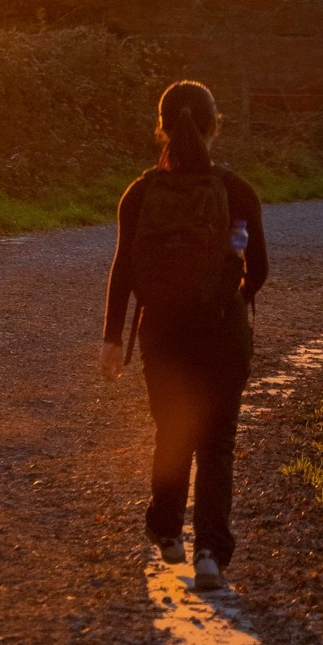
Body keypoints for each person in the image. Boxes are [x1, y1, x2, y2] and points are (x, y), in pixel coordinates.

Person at [100, 79, 268, 592]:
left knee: (172, 430)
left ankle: (167, 530)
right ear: (215, 125)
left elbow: (124, 268)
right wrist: (227, 298)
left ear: (162, 128)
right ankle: (212, 555)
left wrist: (111, 338)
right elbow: (257, 268)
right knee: (216, 443)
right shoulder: (237, 191)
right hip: (223, 332)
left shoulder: (142, 192)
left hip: (163, 332)